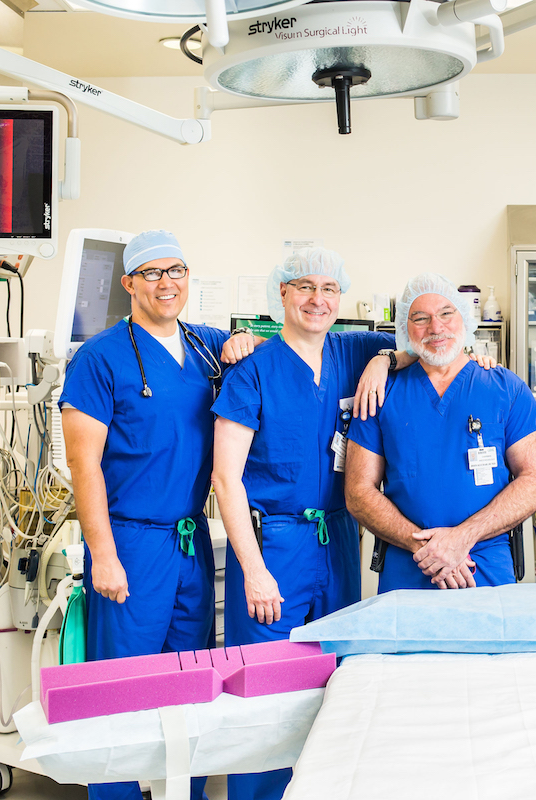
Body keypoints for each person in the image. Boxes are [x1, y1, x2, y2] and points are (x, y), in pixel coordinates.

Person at [61, 229, 259, 800]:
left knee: (189, 685)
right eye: (152, 273)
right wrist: (103, 555)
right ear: (128, 283)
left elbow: (272, 350)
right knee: (121, 692)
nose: (166, 282)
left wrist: (244, 338)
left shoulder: (204, 344)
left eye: (176, 270)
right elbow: (85, 467)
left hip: (190, 542)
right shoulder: (99, 358)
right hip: (131, 544)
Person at [210, 247, 406, 800]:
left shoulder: (353, 349)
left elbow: (422, 345)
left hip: (338, 537)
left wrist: (384, 360)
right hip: (276, 541)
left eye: (328, 289)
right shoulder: (254, 369)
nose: (317, 299)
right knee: (268, 691)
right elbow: (227, 479)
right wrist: (253, 570)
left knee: (337, 684)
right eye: (303, 287)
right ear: (282, 294)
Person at [345, 273, 536, 591]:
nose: (435, 328)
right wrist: (427, 549)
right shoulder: (381, 393)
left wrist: (462, 538)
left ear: (464, 319)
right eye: (420, 318)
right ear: (404, 328)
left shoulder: (506, 388)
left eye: (445, 314)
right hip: (409, 565)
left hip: (483, 566)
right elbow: (358, 492)